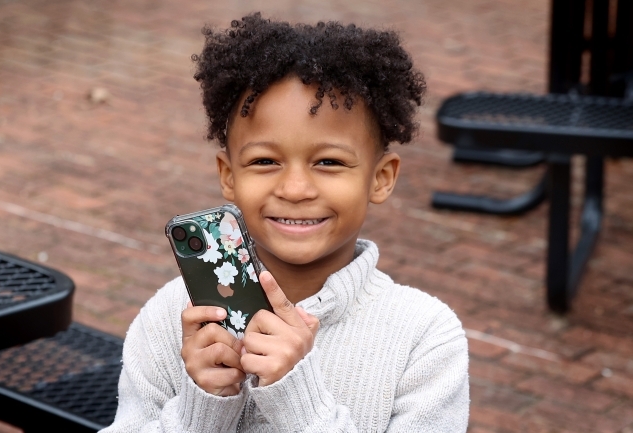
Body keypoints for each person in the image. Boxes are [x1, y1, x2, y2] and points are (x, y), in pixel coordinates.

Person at [101, 13, 469, 433]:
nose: (295, 188)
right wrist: (198, 410)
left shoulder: (425, 339)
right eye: (264, 161)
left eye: (328, 161)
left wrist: (299, 400)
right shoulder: (174, 317)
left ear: (381, 178)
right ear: (228, 176)